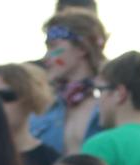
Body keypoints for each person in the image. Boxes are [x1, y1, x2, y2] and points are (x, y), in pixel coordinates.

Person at [33, 8, 108, 155]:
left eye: (53, 46)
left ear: (81, 48)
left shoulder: (108, 106)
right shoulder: (43, 107)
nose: (46, 57)